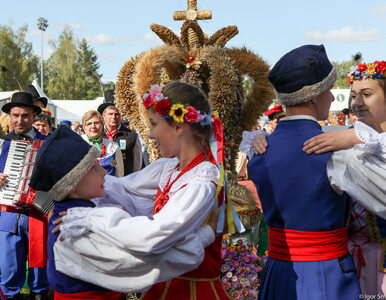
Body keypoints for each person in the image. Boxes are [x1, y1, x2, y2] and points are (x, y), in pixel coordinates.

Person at [51, 81, 234, 298]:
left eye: (154, 124)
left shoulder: (202, 182)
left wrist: (91, 218)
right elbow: (125, 189)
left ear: (178, 127)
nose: (150, 135)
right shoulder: (168, 168)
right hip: (161, 286)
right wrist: (69, 179)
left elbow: (155, 235)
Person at [246, 45, 361, 299]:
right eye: (329, 91)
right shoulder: (333, 150)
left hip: (277, 271)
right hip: (326, 274)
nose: (332, 98)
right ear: (313, 96)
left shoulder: (260, 149)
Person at [299, 60, 386, 296]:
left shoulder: (356, 139)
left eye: (367, 94)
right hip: (349, 260)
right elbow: (296, 142)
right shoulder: (340, 137)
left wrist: (357, 136)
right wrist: (259, 141)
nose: (357, 103)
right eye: (354, 95)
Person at [29, 125, 126, 299]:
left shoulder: (69, 211)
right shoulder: (74, 224)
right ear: (72, 183)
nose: (104, 172)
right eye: (93, 169)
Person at [0, 92, 49, 299]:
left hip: (39, 214)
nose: (20, 120)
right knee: (9, 273)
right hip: (8, 215)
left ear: (33, 116)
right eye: (16, 115)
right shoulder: (1, 143)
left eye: (25, 116)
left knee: (40, 276)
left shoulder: (48, 143)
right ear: (9, 116)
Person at [98, 103, 142, 175]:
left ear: (120, 117)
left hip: (125, 178)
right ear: (104, 116)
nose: (114, 117)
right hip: (103, 178)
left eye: (116, 114)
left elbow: (137, 163)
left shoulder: (131, 136)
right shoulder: (98, 135)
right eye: (110, 114)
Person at [81, 110, 124, 177]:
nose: (93, 126)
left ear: (102, 125)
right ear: (84, 127)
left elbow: (119, 174)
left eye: (96, 123)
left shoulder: (113, 147)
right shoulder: (77, 145)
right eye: (89, 124)